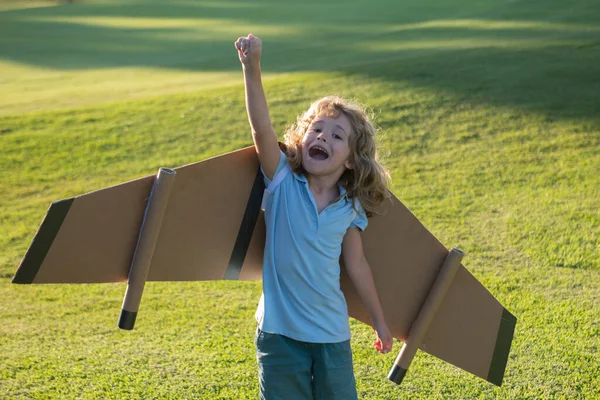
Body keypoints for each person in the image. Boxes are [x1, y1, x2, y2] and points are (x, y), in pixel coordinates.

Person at [235, 33, 393, 400]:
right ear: (303, 138)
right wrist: (251, 67)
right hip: (279, 335)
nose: (322, 136)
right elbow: (261, 128)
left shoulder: (350, 208)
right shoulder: (281, 182)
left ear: (351, 160)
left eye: (337, 136)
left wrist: (380, 321)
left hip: (331, 335)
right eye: (316, 129)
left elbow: (357, 267)